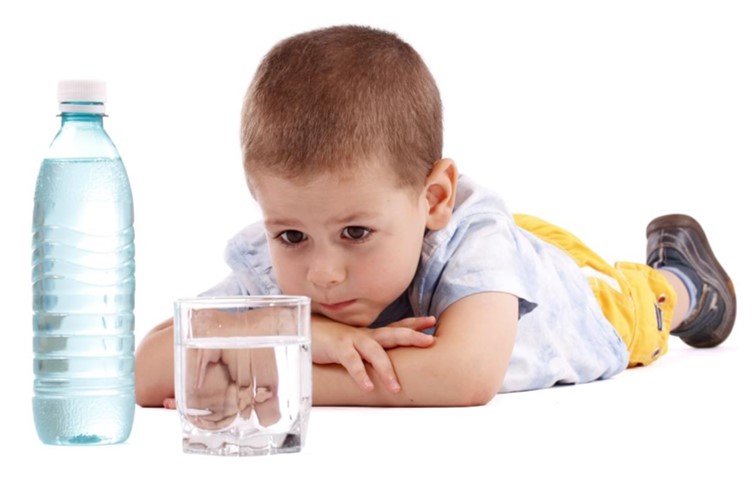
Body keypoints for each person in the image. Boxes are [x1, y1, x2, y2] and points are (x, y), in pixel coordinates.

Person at [135, 25, 736, 411]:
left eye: (355, 233)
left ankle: (685, 279)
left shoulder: (471, 238)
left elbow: (464, 376)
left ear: (435, 198)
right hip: (493, 256)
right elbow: (147, 370)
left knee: (639, 310)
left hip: (568, 292)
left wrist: (275, 376)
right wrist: (305, 335)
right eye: (291, 235)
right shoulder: (277, 269)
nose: (321, 275)